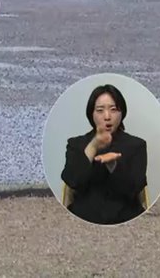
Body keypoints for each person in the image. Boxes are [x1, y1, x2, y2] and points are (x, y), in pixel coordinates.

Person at [61, 84, 148, 225]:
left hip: (126, 220)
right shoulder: (76, 144)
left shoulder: (136, 145)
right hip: (82, 220)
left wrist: (113, 166)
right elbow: (72, 181)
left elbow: (135, 189)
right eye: (100, 110)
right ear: (91, 114)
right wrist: (93, 145)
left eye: (113, 110)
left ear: (122, 113)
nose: (107, 117)